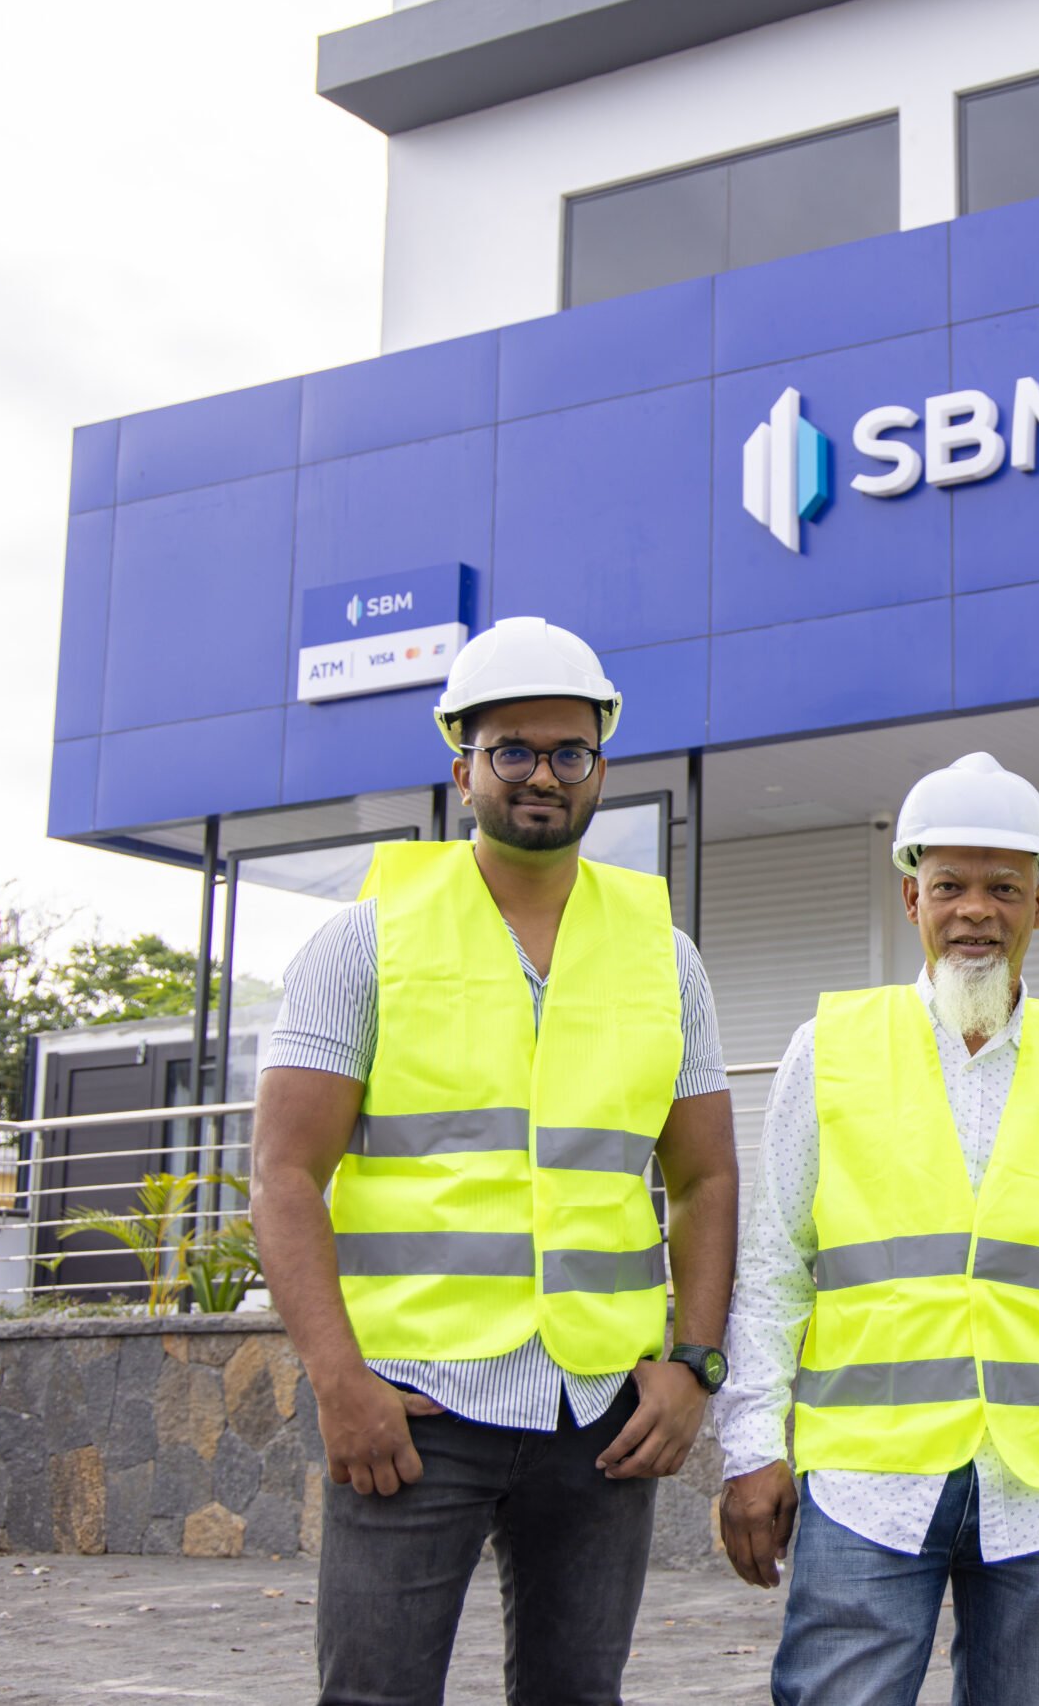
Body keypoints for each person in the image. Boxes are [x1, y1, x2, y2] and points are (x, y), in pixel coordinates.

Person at [252, 616, 740, 1706]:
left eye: (569, 752)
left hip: (598, 1410)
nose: (542, 775)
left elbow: (705, 1178)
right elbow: (284, 1176)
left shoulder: (666, 961)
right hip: (414, 1409)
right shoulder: (363, 943)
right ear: (461, 765)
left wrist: (694, 1365)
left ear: (600, 767)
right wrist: (339, 1380)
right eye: (511, 750)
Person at [715, 752, 1039, 1706]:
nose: (976, 911)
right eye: (949, 887)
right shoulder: (829, 1050)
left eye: (1003, 889)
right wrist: (752, 1443)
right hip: (868, 1486)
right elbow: (774, 1268)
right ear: (910, 900)